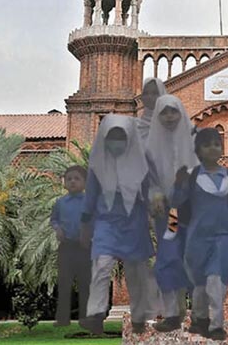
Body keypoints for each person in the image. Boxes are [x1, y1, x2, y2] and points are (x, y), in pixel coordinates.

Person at [79, 115, 160, 336]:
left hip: (134, 222)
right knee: (102, 266)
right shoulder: (97, 166)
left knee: (137, 271)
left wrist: (156, 222)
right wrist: (85, 226)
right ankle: (96, 318)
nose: (117, 143)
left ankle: (141, 319)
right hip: (106, 223)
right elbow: (90, 197)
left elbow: (151, 194)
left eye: (121, 138)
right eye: (112, 138)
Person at [170, 128, 228, 340]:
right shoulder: (191, 176)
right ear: (198, 150)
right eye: (206, 144)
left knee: (215, 280)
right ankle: (200, 320)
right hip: (198, 238)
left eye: (216, 144)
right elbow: (176, 202)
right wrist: (178, 184)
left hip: (224, 237)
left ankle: (215, 326)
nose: (212, 148)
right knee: (200, 285)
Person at [145, 94, 198, 332]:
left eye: (173, 111)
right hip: (164, 214)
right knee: (168, 261)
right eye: (164, 112)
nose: (168, 116)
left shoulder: (193, 139)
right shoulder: (151, 146)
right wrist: (155, 194)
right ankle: (174, 314)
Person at [50, 165, 91, 327]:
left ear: (85, 183)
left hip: (85, 247)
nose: (73, 181)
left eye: (77, 179)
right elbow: (54, 219)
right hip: (66, 247)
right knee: (64, 283)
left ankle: (85, 317)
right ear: (64, 183)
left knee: (85, 283)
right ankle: (62, 318)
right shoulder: (60, 203)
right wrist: (58, 229)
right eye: (69, 179)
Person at [137, 77, 168, 145]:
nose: (150, 97)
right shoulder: (135, 127)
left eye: (154, 93)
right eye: (146, 93)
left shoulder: (171, 124)